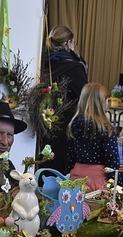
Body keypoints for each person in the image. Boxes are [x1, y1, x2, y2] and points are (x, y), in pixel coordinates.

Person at [40, 25, 89, 174]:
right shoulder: (74, 68)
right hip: (66, 125)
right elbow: (83, 98)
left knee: (44, 161)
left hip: (42, 121)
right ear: (68, 43)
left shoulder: (41, 62)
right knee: (61, 168)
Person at [67, 83, 119, 191]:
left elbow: (70, 156)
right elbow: (112, 161)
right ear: (101, 103)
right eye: (107, 100)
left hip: (76, 178)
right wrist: (116, 182)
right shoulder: (106, 128)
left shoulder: (74, 125)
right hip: (98, 181)